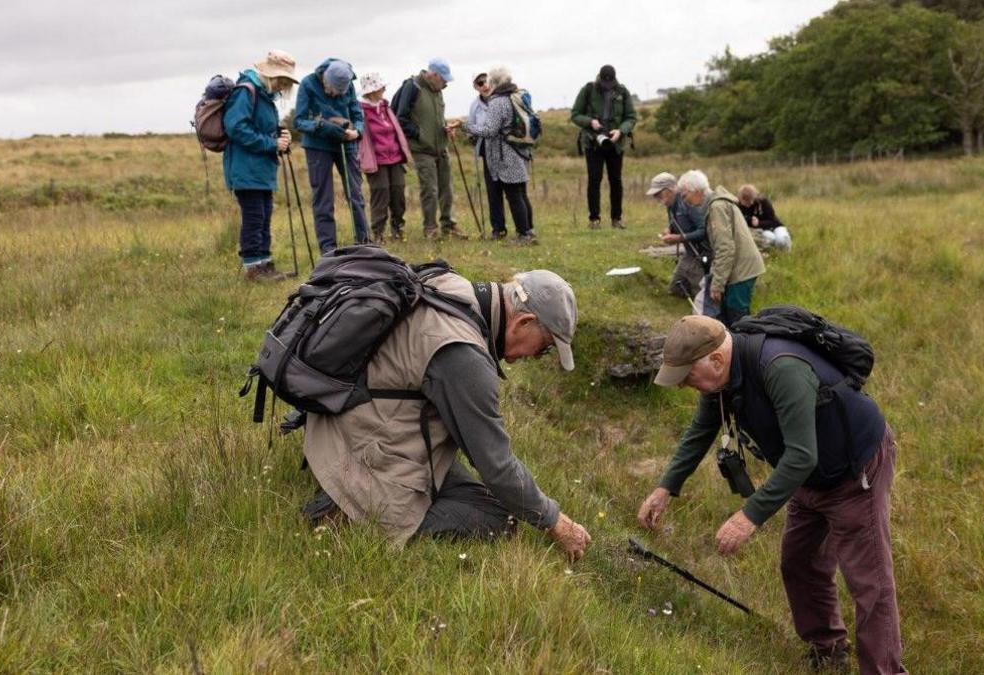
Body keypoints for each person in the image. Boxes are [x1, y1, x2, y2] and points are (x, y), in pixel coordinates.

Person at [639, 315, 906, 674]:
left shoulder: (781, 367)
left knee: (869, 583)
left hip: (854, 473)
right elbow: (702, 429)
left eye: (687, 377)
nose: (686, 386)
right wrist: (665, 487)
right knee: (799, 563)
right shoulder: (723, 382)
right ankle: (827, 651)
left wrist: (749, 516)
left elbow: (801, 455)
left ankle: (883, 669)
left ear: (716, 360)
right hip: (807, 478)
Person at [301, 268, 591, 560]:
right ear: (523, 321)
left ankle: (348, 489)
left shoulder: (451, 285)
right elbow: (498, 467)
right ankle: (348, 509)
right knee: (500, 519)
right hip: (361, 447)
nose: (534, 357)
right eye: (543, 349)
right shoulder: (466, 358)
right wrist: (556, 522)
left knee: (492, 499)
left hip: (340, 426)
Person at [223, 50, 297, 282]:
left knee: (264, 216)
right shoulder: (246, 91)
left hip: (262, 168)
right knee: (255, 217)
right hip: (246, 168)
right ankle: (253, 269)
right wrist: (271, 143)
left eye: (286, 82)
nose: (283, 86)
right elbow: (236, 128)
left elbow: (262, 127)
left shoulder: (265, 97)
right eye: (281, 80)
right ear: (269, 75)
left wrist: (280, 137)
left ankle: (265, 265)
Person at [293, 58, 370, 253]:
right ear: (325, 79)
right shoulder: (307, 84)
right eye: (333, 90)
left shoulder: (348, 85)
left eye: (340, 92)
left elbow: (357, 115)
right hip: (318, 146)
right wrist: (319, 126)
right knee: (323, 199)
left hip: (347, 143)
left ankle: (365, 244)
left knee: (356, 195)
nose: (336, 95)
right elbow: (299, 121)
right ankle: (328, 251)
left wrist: (357, 132)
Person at [392, 58, 470, 240]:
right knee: (430, 190)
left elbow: (435, 117)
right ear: (434, 75)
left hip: (441, 146)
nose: (445, 84)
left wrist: (445, 128)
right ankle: (430, 228)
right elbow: (400, 118)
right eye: (443, 79)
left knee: (446, 188)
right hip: (421, 149)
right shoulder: (413, 87)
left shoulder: (437, 90)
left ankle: (449, 225)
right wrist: (420, 134)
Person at [677, 170, 764, 327]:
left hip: (741, 269)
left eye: (684, 195)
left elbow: (725, 248)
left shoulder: (716, 207)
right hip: (739, 266)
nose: (685, 201)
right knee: (731, 315)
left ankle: (744, 348)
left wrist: (717, 284)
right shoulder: (717, 203)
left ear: (695, 190)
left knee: (737, 318)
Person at [463, 67, 537, 246]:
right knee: (520, 193)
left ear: (494, 82)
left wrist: (465, 126)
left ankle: (523, 235)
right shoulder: (515, 96)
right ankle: (529, 231)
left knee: (514, 195)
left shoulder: (498, 102)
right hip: (519, 151)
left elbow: (489, 130)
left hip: (505, 155)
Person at [571, 65, 637, 230]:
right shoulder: (588, 89)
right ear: (599, 78)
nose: (608, 85)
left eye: (610, 82)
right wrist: (590, 122)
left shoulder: (622, 91)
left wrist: (621, 130)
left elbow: (631, 117)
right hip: (593, 142)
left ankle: (617, 218)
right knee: (594, 179)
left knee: (616, 180)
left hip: (615, 143)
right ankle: (594, 220)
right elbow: (575, 114)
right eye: (605, 82)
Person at [358, 72, 412, 243]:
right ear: (372, 91)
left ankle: (398, 229)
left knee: (398, 193)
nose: (384, 89)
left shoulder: (385, 107)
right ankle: (378, 233)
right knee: (381, 194)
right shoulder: (361, 110)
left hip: (395, 157)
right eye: (381, 87)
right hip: (376, 160)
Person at [648, 172, 707, 299]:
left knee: (702, 295)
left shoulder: (688, 201)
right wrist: (669, 231)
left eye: (658, 194)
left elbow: (704, 230)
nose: (656, 197)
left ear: (669, 190)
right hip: (689, 253)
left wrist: (680, 238)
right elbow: (675, 224)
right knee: (675, 289)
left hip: (701, 253)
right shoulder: (670, 205)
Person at [467, 72, 509, 240]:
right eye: (479, 83)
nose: (484, 85)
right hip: (486, 151)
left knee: (512, 191)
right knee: (493, 191)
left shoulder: (502, 101)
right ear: (476, 87)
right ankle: (498, 229)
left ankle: (524, 229)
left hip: (506, 151)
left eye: (486, 82)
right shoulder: (474, 106)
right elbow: (471, 127)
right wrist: (473, 137)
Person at [738, 184, 792, 252]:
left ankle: (786, 254)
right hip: (762, 230)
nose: (746, 205)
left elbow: (772, 220)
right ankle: (774, 254)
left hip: (775, 226)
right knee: (771, 238)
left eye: (747, 202)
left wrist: (758, 223)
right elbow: (741, 219)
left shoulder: (764, 202)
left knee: (781, 240)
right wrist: (750, 220)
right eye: (744, 203)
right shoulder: (740, 205)